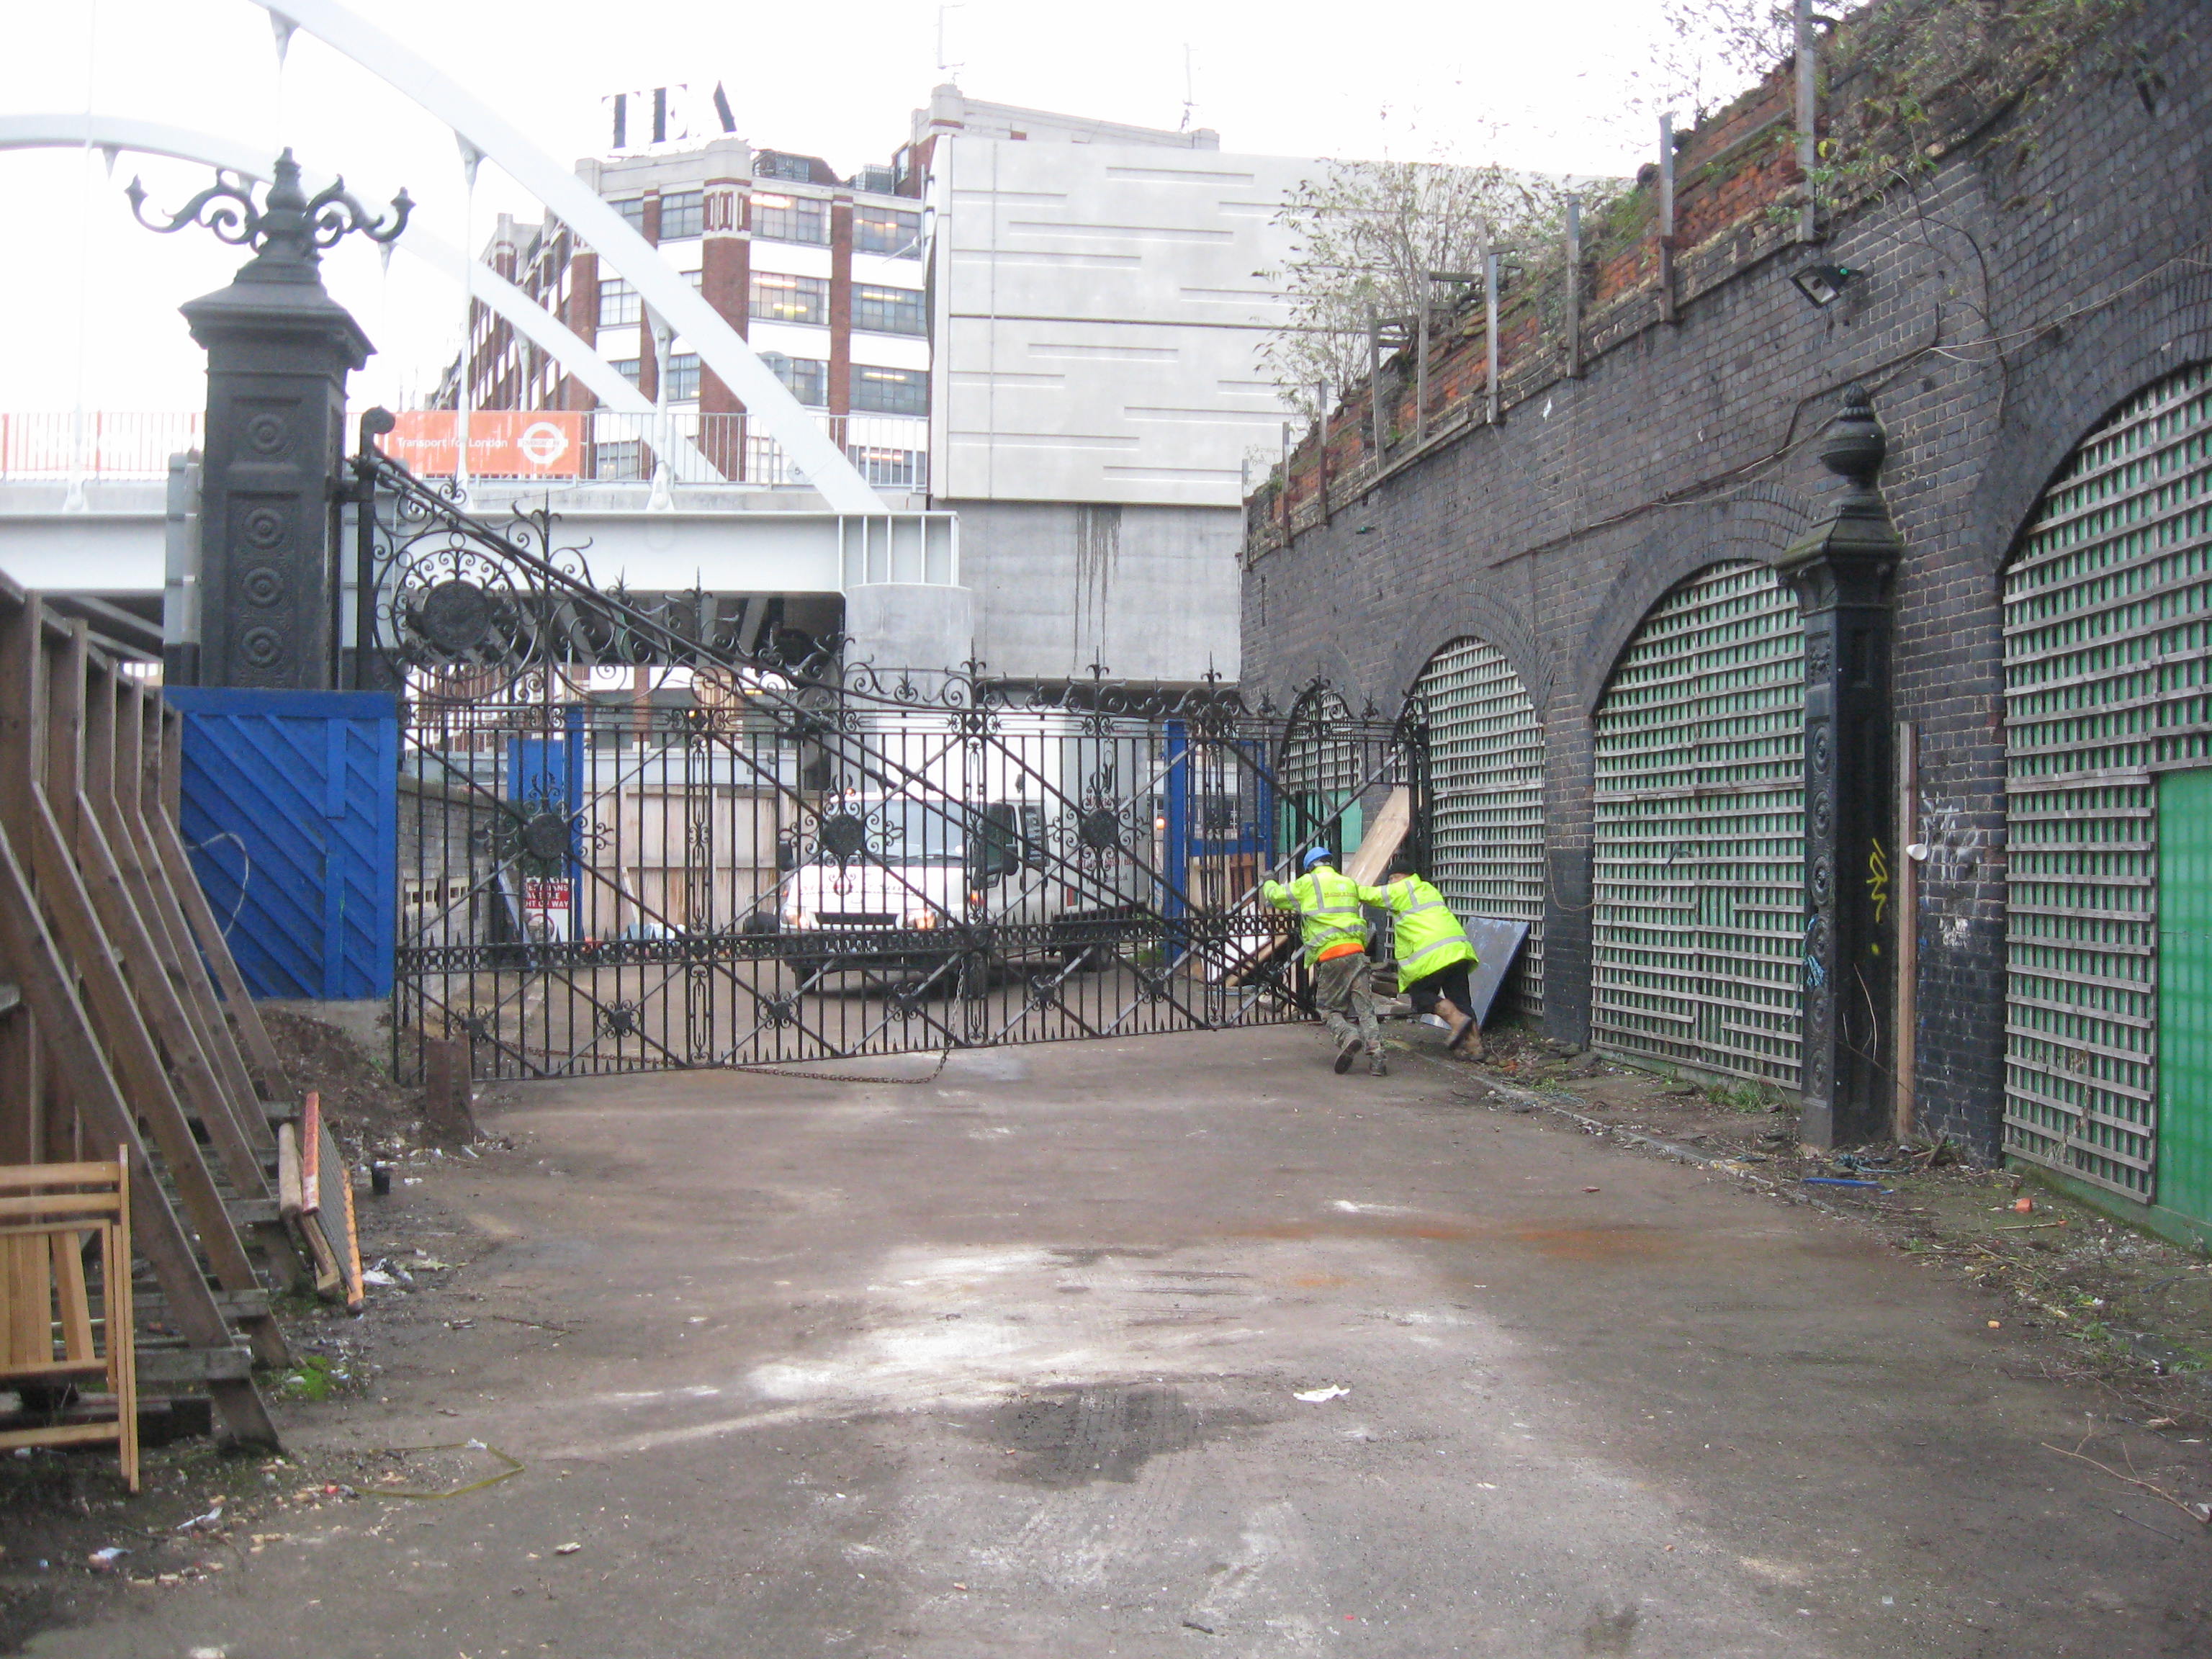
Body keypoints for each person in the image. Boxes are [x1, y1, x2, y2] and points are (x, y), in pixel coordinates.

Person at [1262, 847, 1388, 1076]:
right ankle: (1377, 1058)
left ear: (1310, 867)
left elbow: (1275, 896)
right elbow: (1373, 896)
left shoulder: (1308, 883)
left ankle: (1348, 1035)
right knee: (1365, 1008)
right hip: (1357, 951)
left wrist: (1269, 880)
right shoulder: (1348, 883)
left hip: (1332, 954)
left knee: (1328, 1009)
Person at [1367, 865, 1482, 1055]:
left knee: (1422, 996)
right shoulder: (1428, 889)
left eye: (1391, 879)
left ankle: (1457, 1020)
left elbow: (1367, 894)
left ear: (1398, 877)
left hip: (1433, 955)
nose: (1390, 883)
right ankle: (1475, 1047)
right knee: (1461, 1000)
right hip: (1458, 950)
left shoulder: (1401, 888)